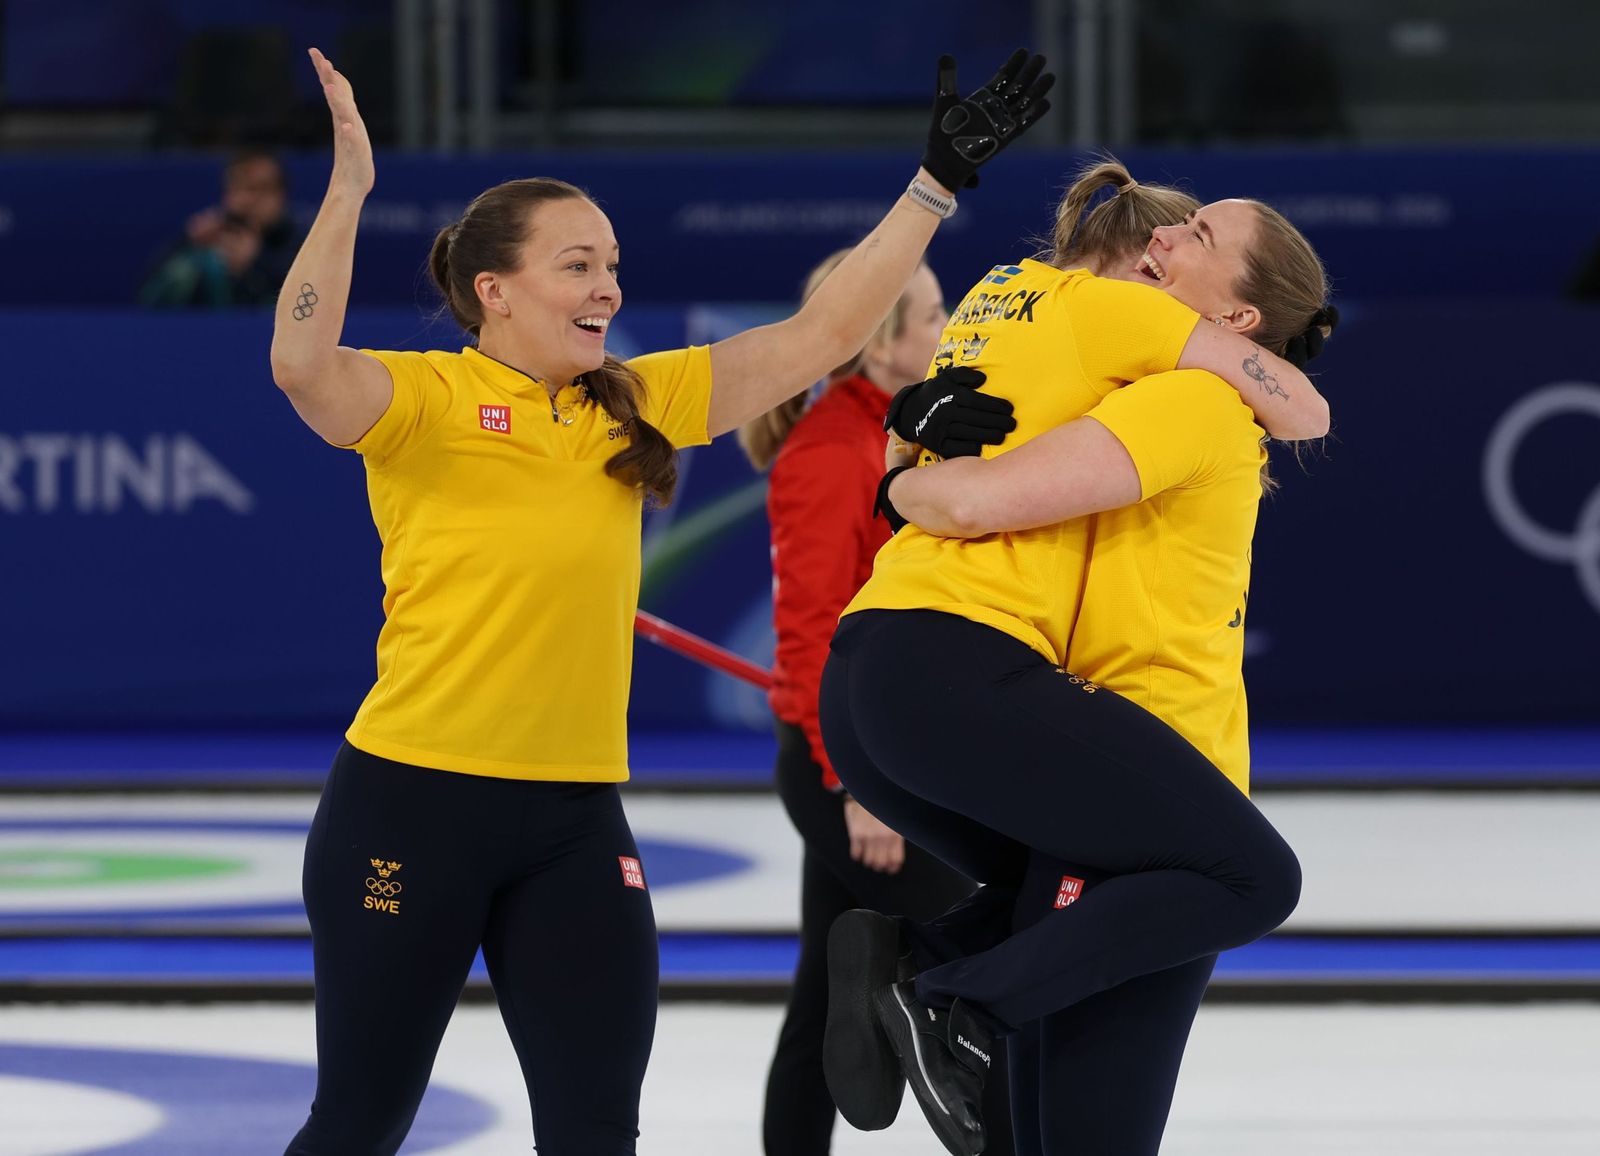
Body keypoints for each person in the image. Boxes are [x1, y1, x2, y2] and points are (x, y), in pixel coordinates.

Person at [268, 45, 1052, 1156]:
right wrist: (347, 191)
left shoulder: (630, 401)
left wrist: (933, 186)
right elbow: (302, 364)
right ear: (493, 290)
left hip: (573, 823)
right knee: (359, 1122)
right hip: (409, 805)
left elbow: (820, 338)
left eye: (614, 267)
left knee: (597, 1134)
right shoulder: (423, 398)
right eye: (578, 266)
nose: (608, 291)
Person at [818, 159, 1334, 1156]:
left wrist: (900, 473)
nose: (1166, 241)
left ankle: (939, 966)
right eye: (1164, 235)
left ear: (1232, 318)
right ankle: (948, 988)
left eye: (1197, 239)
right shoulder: (1172, 395)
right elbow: (982, 490)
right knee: (1253, 884)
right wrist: (911, 469)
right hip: (1139, 782)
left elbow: (977, 482)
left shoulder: (1182, 400)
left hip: (1103, 772)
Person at [738, 250, 1016, 1156]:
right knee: (992, 965)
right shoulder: (828, 453)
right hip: (855, 768)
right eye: (930, 316)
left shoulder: (896, 438)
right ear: (877, 343)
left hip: (877, 754)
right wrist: (854, 784)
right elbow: (815, 629)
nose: (945, 333)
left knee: (825, 995)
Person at [139, 150, 301, 308]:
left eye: (261, 189)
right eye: (241, 188)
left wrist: (256, 261)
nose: (249, 199)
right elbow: (149, 297)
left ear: (282, 194)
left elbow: (307, 297)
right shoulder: (203, 240)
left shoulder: (303, 238)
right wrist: (186, 241)